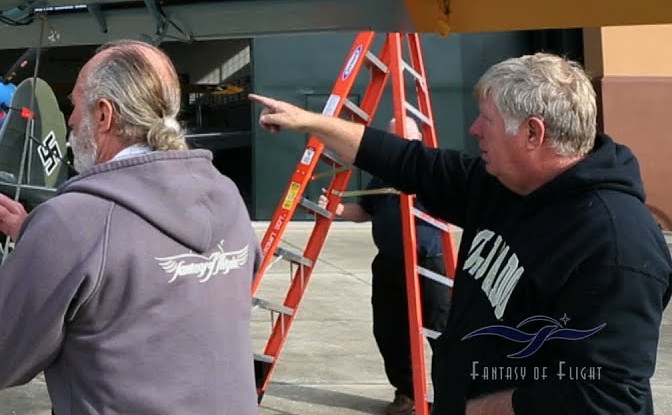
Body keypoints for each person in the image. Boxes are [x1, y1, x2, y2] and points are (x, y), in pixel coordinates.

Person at [251, 53, 672, 414]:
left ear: (532, 133)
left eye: (486, 119)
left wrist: (471, 409)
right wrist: (308, 121)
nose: (474, 130)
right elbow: (407, 160)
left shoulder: (616, 246)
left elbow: (607, 396)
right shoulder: (502, 185)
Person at [0, 40, 261, 414]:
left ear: (104, 116)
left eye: (74, 104)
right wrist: (33, 232)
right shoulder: (228, 196)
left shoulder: (73, 222)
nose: (70, 120)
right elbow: (144, 270)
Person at [318, 117, 451, 415]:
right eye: (392, 138)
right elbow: (365, 210)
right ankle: (407, 394)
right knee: (390, 330)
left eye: (403, 137)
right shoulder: (382, 175)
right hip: (390, 262)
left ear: (418, 139)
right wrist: (338, 209)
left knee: (441, 330)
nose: (397, 144)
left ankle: (450, 397)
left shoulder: (433, 169)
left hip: (427, 261)